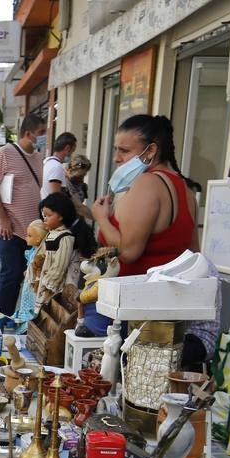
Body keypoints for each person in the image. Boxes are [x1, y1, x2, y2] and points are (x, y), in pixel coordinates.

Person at [90, 114, 208, 363]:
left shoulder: (148, 183)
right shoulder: (185, 188)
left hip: (137, 311)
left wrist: (100, 218)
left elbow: (128, 251)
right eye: (116, 150)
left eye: (124, 150)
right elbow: (195, 255)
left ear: (150, 150)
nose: (116, 158)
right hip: (170, 312)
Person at [0, 114, 45, 315]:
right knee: (11, 273)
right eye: (41, 133)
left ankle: (18, 317)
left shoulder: (38, 158)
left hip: (33, 230)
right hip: (9, 227)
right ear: (28, 133)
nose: (44, 137)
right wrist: (4, 219)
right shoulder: (5, 153)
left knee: (27, 275)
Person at [42, 131, 77, 196]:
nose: (71, 155)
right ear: (67, 148)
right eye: (72, 151)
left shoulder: (46, 162)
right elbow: (55, 198)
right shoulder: (56, 167)